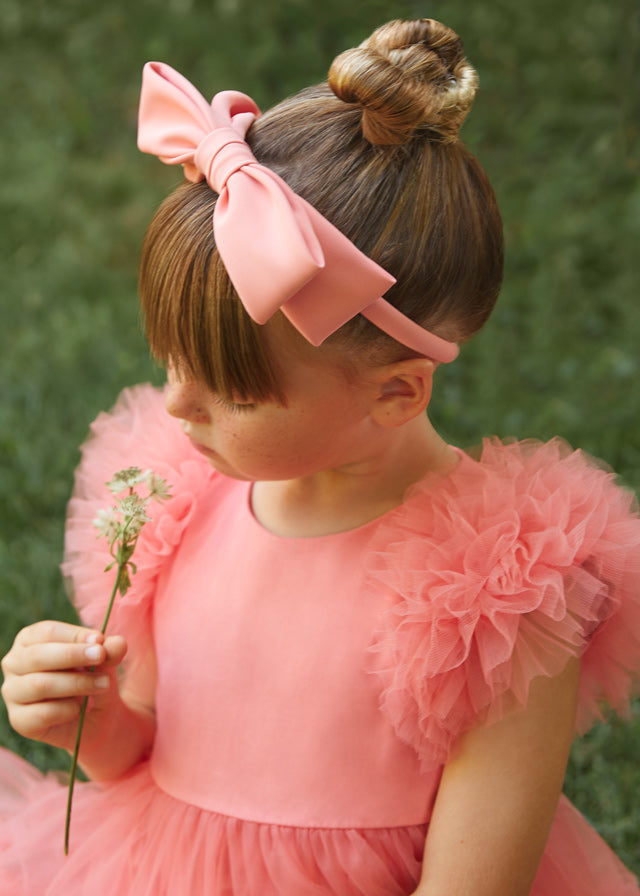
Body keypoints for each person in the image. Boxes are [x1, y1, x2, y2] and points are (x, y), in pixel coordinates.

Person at [1, 17, 639, 896]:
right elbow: (146, 753)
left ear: (396, 393)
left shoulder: (500, 595)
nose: (177, 405)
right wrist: (92, 718)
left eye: (235, 392)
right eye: (171, 364)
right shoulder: (181, 500)